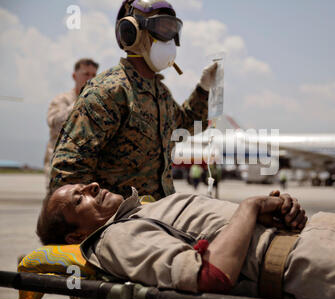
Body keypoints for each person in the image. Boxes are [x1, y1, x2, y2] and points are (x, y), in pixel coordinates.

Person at [37, 182, 335, 299]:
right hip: (334, 264)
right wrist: (251, 208)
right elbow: (211, 275)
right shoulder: (113, 239)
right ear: (76, 234)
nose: (92, 186)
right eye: (80, 197)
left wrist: (274, 207)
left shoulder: (140, 211)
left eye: (86, 186)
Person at [49, 0, 218, 200]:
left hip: (160, 212)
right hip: (121, 219)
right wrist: (101, 219)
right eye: (162, 29)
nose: (170, 40)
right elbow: (68, 171)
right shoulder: (108, 91)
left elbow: (188, 125)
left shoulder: (161, 94)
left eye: (172, 31)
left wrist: (203, 89)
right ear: (132, 32)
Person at [44, 58, 99, 189]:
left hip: (85, 171)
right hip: (60, 170)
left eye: (93, 75)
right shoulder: (62, 100)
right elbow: (55, 123)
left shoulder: (96, 103)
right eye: (86, 74)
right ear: (74, 76)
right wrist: (80, 102)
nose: (90, 79)